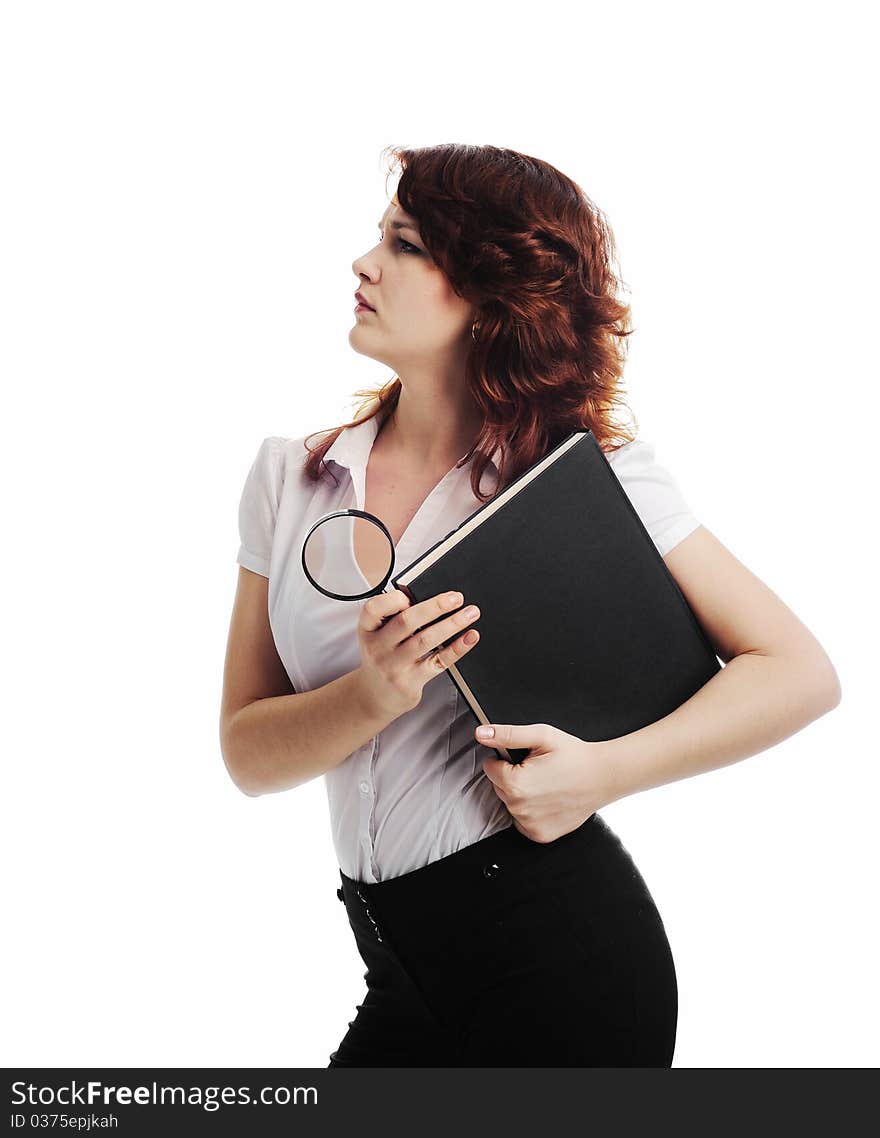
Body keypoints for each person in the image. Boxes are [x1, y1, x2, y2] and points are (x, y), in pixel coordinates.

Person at [219, 144, 842, 1067]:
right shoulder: (292, 478)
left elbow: (800, 673)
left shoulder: (585, 481)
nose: (364, 263)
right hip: (396, 967)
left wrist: (604, 773)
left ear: (491, 292)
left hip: (560, 959)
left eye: (405, 244)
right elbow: (247, 755)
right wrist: (371, 695)